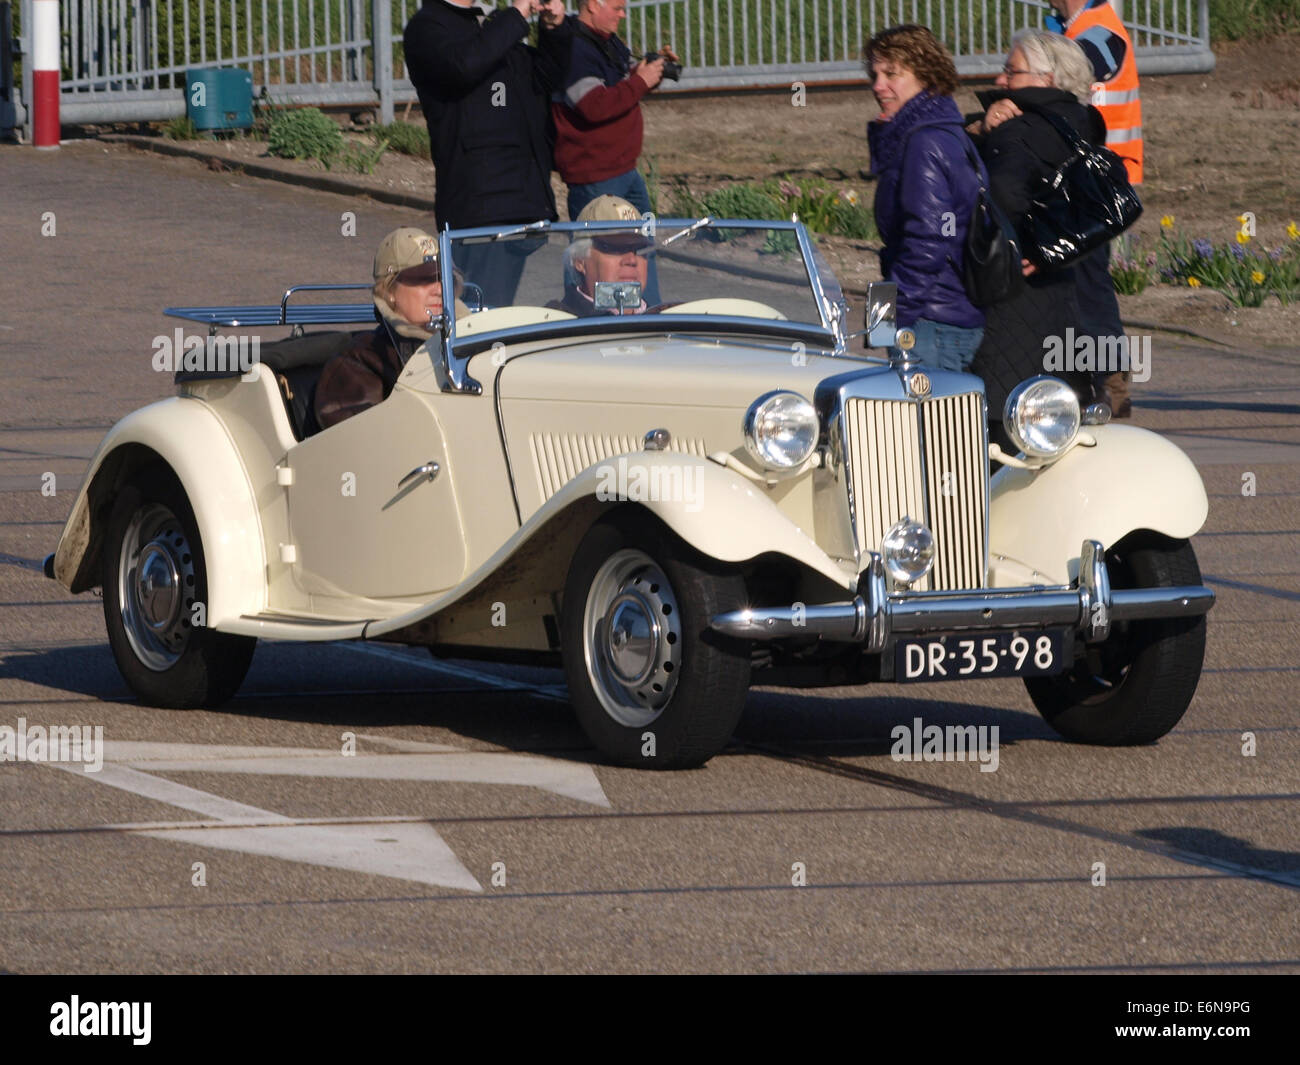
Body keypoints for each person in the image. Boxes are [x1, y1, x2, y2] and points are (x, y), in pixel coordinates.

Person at [965, 31, 1107, 458]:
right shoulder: (1081, 124)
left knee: (1001, 441)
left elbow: (1003, 196)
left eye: (1012, 70)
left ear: (1047, 79)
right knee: (1057, 435)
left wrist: (980, 137)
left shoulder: (1020, 131)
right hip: (1070, 307)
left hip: (1013, 308)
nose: (1001, 77)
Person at [403, 0, 571, 307]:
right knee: (482, 318)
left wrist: (552, 28)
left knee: (507, 319)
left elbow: (547, 78)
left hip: (521, 200)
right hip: (482, 207)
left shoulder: (486, 27)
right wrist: (517, 15)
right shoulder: (428, 27)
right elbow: (463, 66)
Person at [865, 25, 985, 372]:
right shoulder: (947, 129)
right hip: (945, 315)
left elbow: (930, 240)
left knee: (929, 425)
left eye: (891, 74)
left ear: (926, 76)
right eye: (874, 74)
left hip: (930, 323)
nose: (878, 86)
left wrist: (891, 315)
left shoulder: (924, 142)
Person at [1047, 0, 1142, 417]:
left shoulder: (1101, 31)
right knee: (1074, 282)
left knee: (1087, 284)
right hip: (1089, 178)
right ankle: (1088, 381)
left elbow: (1071, 76)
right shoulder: (1077, 28)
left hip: (1099, 182)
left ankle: (1109, 385)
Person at [552, 0, 674, 305]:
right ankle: (597, 328)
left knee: (640, 255)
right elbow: (594, 106)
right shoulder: (573, 49)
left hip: (625, 171)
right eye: (618, 8)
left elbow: (616, 90)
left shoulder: (605, 43)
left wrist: (649, 72)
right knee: (598, 262)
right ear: (593, 4)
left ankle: (649, 321)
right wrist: (639, 82)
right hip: (596, 177)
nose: (623, 15)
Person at [314, 228, 467, 431]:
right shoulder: (359, 362)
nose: (439, 289)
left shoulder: (469, 341)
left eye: (443, 278)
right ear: (389, 290)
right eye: (423, 279)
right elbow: (362, 442)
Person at [548, 195, 655, 316]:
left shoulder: (665, 323)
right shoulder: (554, 325)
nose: (631, 260)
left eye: (638, 250)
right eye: (616, 248)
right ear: (579, 260)